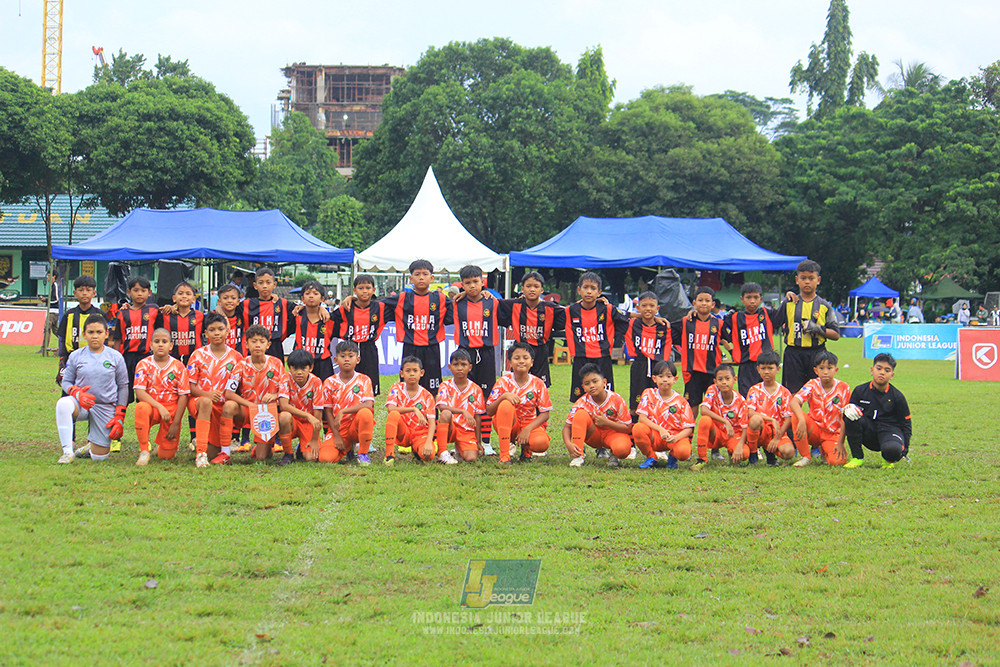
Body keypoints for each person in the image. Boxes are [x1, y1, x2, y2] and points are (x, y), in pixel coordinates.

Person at [55, 314, 129, 463]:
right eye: (90, 332)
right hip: (81, 404)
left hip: (105, 406)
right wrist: (76, 393)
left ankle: (90, 448)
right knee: (63, 404)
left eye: (99, 332)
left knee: (99, 458)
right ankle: (67, 452)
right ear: (84, 334)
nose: (95, 336)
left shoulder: (115, 357)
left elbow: (123, 386)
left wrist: (120, 415)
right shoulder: (76, 356)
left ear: (106, 334)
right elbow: (66, 382)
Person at [451, 265, 502, 454]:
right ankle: (464, 439)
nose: (472, 286)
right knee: (463, 396)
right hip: (465, 354)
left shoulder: (492, 302)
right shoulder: (457, 303)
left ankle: (486, 442)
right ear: (462, 285)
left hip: (486, 353)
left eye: (476, 281)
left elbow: (515, 305)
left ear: (482, 282)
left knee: (487, 397)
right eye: (468, 283)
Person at [226, 325, 294, 465]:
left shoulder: (277, 363)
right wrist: (251, 405)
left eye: (262, 341)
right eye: (253, 341)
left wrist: (275, 396)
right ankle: (225, 451)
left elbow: (285, 390)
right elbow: (229, 393)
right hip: (247, 410)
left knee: (262, 457)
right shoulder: (241, 364)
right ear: (246, 344)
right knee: (229, 406)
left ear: (268, 345)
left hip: (267, 413)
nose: (257, 345)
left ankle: (264, 446)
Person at [774, 260, 840, 394]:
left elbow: (836, 334)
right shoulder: (789, 303)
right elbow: (774, 323)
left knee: (817, 394)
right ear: (797, 280)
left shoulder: (824, 306)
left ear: (818, 280)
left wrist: (816, 328)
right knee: (792, 394)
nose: (807, 282)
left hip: (817, 354)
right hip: (793, 354)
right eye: (803, 278)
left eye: (811, 278)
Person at [187, 313, 244, 468]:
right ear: (206, 333)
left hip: (224, 408)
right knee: (206, 402)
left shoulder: (237, 357)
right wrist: (207, 394)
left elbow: (241, 388)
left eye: (220, 329)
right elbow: (190, 387)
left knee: (214, 453)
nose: (217, 333)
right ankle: (200, 453)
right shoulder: (198, 355)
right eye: (212, 330)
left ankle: (217, 445)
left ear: (228, 331)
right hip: (201, 403)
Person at [565, 272, 628, 403]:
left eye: (593, 288)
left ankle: (605, 415)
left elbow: (626, 317)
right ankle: (581, 416)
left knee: (606, 396)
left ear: (599, 292)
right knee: (580, 398)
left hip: (602, 358)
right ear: (579, 290)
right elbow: (547, 310)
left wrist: (650, 317)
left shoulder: (607, 309)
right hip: (581, 358)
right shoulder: (570, 310)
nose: (589, 291)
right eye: (585, 287)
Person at [486, 342, 553, 463]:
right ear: (510, 363)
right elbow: (489, 411)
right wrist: (503, 397)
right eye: (516, 358)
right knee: (506, 404)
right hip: (509, 423)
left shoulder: (538, 384)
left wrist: (528, 429)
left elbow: (545, 414)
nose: (521, 361)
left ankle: (526, 451)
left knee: (541, 443)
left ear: (531, 362)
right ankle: (504, 455)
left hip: (529, 423)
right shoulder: (503, 382)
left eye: (525, 358)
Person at [842, 353, 912, 469]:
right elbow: (847, 416)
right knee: (850, 415)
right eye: (879, 368)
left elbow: (906, 424)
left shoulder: (897, 396)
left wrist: (905, 450)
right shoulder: (860, 391)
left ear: (892, 375)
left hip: (889, 431)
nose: (882, 372)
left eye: (887, 370)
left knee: (893, 450)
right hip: (868, 433)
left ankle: (888, 459)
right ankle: (857, 458)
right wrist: (846, 410)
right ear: (872, 370)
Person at [497, 271, 566, 387]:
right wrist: (484, 293)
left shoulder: (550, 308)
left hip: (540, 351)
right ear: (522, 289)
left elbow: (572, 312)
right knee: (517, 384)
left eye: (536, 286)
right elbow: (493, 303)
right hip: (520, 350)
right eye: (528, 286)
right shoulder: (514, 305)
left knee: (540, 386)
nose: (532, 289)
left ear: (542, 290)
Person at [133, 328, 190, 465]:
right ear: (151, 345)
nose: (160, 344)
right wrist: (159, 407)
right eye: (156, 341)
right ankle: (144, 451)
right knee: (141, 407)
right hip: (152, 406)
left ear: (171, 346)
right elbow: (140, 392)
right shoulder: (143, 364)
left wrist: (176, 423)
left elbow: (183, 396)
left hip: (171, 411)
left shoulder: (178, 366)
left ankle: (161, 447)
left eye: (164, 341)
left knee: (166, 456)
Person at [317, 341, 377, 465]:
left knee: (365, 413)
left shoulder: (364, 380)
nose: (346, 359)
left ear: (358, 359)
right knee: (325, 458)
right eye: (342, 356)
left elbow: (368, 405)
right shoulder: (329, 382)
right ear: (336, 360)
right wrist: (336, 436)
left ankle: (363, 453)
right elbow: (327, 411)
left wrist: (343, 411)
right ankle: (347, 447)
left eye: (351, 356)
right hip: (339, 428)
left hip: (356, 425)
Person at [562, 363, 633, 468]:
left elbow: (628, 427)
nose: (592, 386)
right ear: (583, 388)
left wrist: (607, 423)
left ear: (604, 382)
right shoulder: (581, 402)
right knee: (580, 414)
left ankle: (615, 455)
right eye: (587, 383)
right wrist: (568, 444)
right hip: (593, 435)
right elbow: (567, 427)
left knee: (622, 449)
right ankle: (578, 455)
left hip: (612, 434)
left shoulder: (617, 400)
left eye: (595, 381)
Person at [789, 349, 850, 467]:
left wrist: (841, 442)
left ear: (836, 370)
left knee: (838, 462)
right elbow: (794, 402)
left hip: (832, 434)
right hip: (814, 430)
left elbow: (845, 418)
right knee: (796, 415)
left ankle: (824, 451)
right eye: (821, 368)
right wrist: (801, 420)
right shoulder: (812, 384)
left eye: (829, 368)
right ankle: (806, 457)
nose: (825, 372)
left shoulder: (844, 388)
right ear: (816, 371)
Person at [632, 360, 694, 470]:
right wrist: (660, 430)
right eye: (661, 376)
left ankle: (673, 456)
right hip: (655, 435)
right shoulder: (648, 393)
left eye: (669, 376)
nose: (665, 379)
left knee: (684, 452)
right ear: (654, 379)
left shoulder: (681, 401)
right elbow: (642, 418)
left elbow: (689, 428)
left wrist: (676, 438)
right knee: (638, 428)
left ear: (675, 379)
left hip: (673, 436)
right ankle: (651, 457)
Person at [333, 274, 389, 395]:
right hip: (349, 348)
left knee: (369, 386)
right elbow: (329, 319)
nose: (364, 291)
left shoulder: (380, 308)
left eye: (368, 288)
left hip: (369, 349)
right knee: (348, 384)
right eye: (360, 288)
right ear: (354, 290)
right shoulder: (346, 308)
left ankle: (368, 406)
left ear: (373, 290)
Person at [723, 282, 780, 397]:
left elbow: (785, 313)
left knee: (766, 396)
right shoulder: (735, 317)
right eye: (748, 297)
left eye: (755, 297)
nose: (752, 301)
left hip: (765, 364)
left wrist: (789, 296)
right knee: (747, 398)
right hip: (746, 366)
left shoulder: (767, 314)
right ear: (742, 299)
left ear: (761, 299)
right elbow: (716, 327)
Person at [110, 276, 159, 408]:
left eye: (143, 290)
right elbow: (118, 338)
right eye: (136, 290)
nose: (139, 294)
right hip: (127, 358)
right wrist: (115, 359)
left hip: (146, 357)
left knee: (145, 395)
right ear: (129, 292)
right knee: (124, 393)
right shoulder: (123, 313)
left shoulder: (154, 310)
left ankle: (144, 419)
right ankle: (119, 418)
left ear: (149, 293)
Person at [672, 286, 724, 410]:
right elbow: (666, 328)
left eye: (707, 300)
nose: (704, 303)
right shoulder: (686, 322)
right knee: (692, 406)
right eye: (700, 300)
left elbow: (731, 337)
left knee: (714, 406)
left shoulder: (719, 323)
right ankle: (689, 424)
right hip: (692, 372)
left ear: (713, 304)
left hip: (713, 372)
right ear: (694, 303)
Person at [742, 351, 796, 466]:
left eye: (770, 368)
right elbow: (750, 412)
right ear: (758, 369)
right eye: (763, 368)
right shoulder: (754, 390)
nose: (766, 372)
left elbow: (788, 419)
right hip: (761, 430)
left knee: (789, 452)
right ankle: (753, 455)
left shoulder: (784, 392)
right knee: (755, 419)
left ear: (778, 369)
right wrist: (771, 420)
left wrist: (777, 438)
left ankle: (770, 455)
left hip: (777, 432)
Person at [623, 291, 672, 417]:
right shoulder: (632, 324)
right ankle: (634, 428)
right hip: (639, 366)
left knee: (658, 402)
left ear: (657, 308)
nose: (648, 308)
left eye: (652, 305)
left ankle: (657, 426)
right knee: (635, 404)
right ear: (638, 307)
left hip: (658, 367)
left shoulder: (664, 326)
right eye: (644, 305)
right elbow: (615, 314)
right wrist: (638, 315)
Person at [383, 356, 439, 465]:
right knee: (393, 414)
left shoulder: (427, 396)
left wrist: (429, 442)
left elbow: (432, 422)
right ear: (402, 373)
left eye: (415, 370)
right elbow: (391, 408)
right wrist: (414, 409)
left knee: (429, 455)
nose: (412, 374)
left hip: (420, 434)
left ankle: (417, 450)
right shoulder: (396, 388)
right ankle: (389, 455)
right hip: (403, 432)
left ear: (421, 373)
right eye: (408, 371)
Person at [436, 349, 485, 463]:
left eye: (463, 364)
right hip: (451, 427)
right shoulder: (445, 386)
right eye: (455, 364)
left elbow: (478, 416)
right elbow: (442, 407)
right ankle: (442, 453)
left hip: (466, 431)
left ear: (470, 367)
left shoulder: (476, 389)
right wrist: (463, 411)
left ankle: (458, 449)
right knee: (446, 413)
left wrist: (478, 441)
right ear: (450, 367)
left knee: (471, 458)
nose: (459, 368)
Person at [694, 364, 746, 469]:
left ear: (734, 379)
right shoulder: (713, 390)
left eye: (727, 378)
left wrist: (740, 446)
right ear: (715, 381)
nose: (724, 382)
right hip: (716, 433)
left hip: (733, 434)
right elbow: (704, 410)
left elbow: (745, 426)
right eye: (720, 379)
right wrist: (725, 421)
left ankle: (732, 451)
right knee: (705, 420)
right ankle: (702, 459)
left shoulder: (740, 400)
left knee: (744, 454)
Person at [57, 275, 105, 386]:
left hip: (95, 358)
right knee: (69, 390)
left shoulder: (100, 315)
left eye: (88, 290)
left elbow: (106, 340)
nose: (84, 293)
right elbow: (63, 339)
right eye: (81, 290)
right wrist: (62, 361)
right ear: (75, 293)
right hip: (72, 358)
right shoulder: (69, 315)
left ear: (94, 293)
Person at [239, 267, 295, 361]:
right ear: (255, 285)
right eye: (261, 283)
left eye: (268, 282)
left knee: (276, 369)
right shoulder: (246, 304)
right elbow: (229, 310)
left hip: (275, 347)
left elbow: (302, 309)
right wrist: (219, 308)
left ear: (274, 285)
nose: (264, 286)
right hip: (254, 346)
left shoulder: (283, 304)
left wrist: (320, 309)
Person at [279, 349, 324, 461]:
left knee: (311, 458)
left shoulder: (316, 382)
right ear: (289, 368)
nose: (299, 372)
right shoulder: (285, 378)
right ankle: (288, 454)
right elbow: (284, 406)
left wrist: (314, 440)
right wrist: (307, 415)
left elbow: (318, 414)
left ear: (311, 368)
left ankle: (301, 448)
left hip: (309, 424)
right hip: (292, 421)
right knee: (284, 416)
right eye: (295, 368)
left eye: (303, 368)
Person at [293, 280, 335, 381]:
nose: (311, 296)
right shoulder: (296, 315)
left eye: (315, 294)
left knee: (325, 389)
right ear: (302, 298)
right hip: (301, 362)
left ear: (322, 299)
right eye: (307, 293)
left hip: (323, 364)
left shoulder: (329, 318)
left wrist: (322, 308)